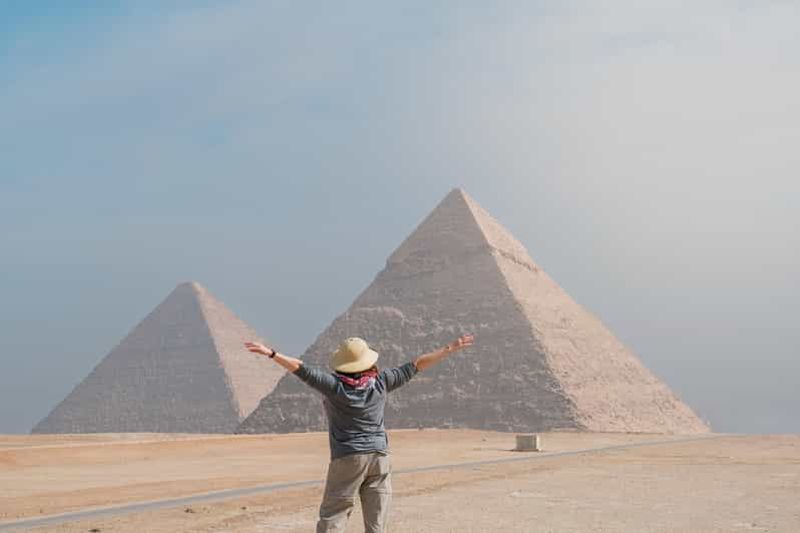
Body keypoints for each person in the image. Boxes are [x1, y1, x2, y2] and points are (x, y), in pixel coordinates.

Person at [244, 333, 474, 533]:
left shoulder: (334, 386)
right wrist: (450, 348)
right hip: (379, 456)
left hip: (349, 456)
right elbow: (416, 365)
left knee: (334, 513)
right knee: (377, 521)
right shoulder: (381, 382)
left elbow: (301, 369)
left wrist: (272, 354)